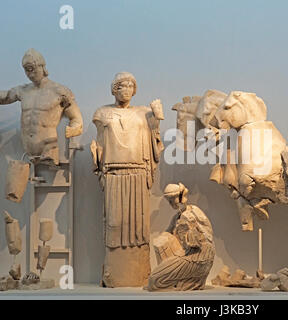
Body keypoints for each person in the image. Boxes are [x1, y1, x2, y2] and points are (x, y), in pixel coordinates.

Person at [91, 72, 164, 287]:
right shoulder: (102, 113)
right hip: (115, 173)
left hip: (138, 173)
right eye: (121, 85)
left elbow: (155, 143)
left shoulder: (144, 113)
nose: (126, 89)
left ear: (135, 89)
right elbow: (99, 145)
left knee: (138, 226)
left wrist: (157, 120)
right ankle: (115, 274)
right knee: (115, 223)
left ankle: (138, 273)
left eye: (131, 85)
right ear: (113, 89)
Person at [0, 48, 83, 165]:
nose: (30, 74)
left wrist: (74, 128)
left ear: (42, 66)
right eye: (26, 70)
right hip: (28, 153)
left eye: (31, 69)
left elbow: (76, 118)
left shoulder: (59, 91)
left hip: (49, 150)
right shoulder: (23, 91)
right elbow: (5, 97)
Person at [147, 183, 215, 291]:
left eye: (171, 199)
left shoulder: (193, 211)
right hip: (184, 254)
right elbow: (168, 232)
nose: (170, 203)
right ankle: (176, 281)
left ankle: (183, 282)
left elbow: (206, 238)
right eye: (168, 200)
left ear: (179, 197)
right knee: (153, 280)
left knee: (155, 280)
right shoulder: (177, 216)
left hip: (198, 257)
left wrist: (192, 229)